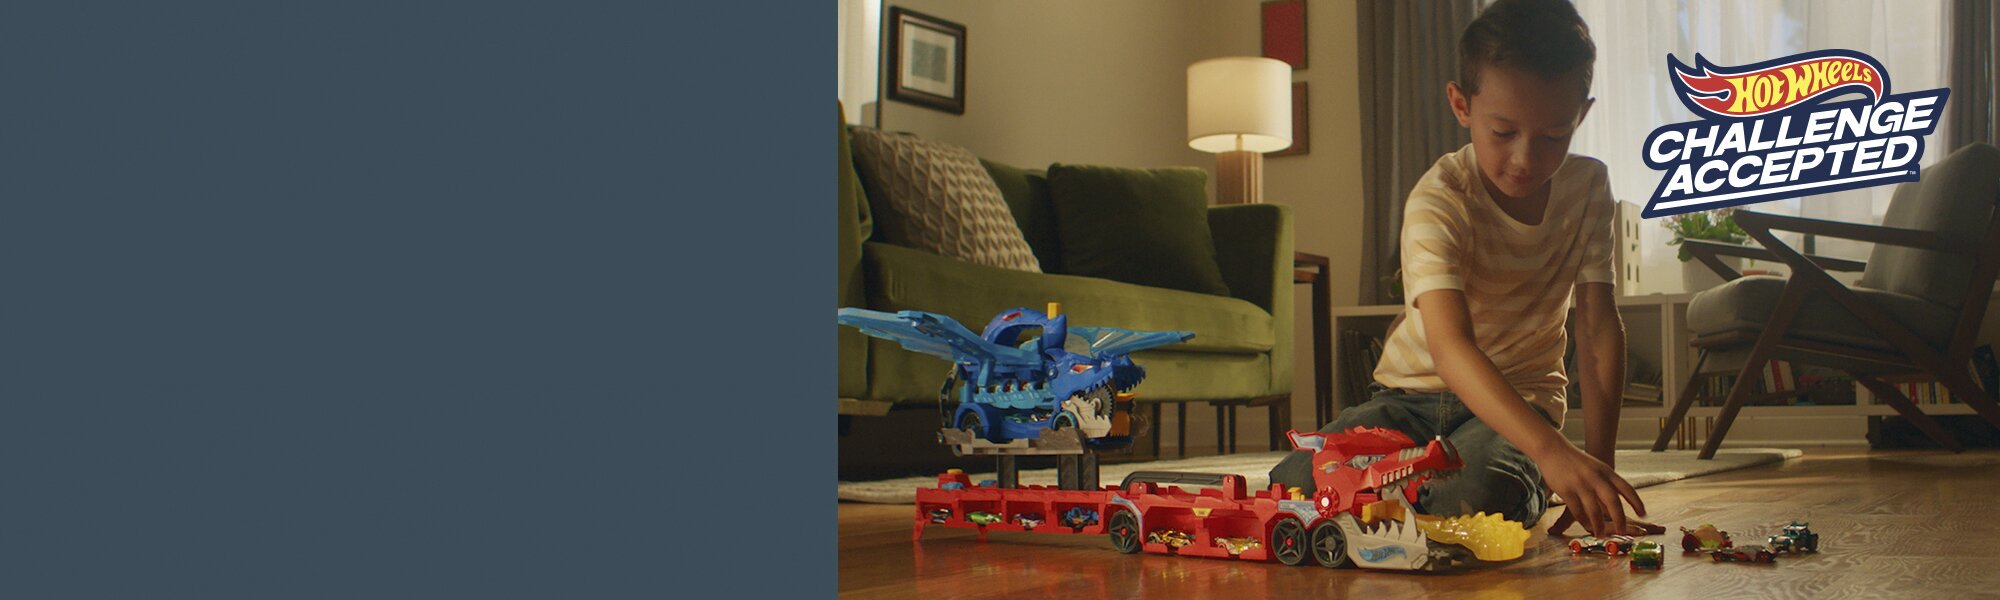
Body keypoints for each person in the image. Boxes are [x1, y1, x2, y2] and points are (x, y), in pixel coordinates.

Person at [1269, 0, 1656, 538]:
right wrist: (1550, 453)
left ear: (1581, 116)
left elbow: (1596, 329)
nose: (1525, 159)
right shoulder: (1439, 197)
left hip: (1520, 405)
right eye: (1503, 133)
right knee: (1287, 490)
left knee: (1471, 498)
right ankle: (1411, 494)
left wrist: (1592, 462)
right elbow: (1451, 349)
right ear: (1461, 105)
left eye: (1553, 137)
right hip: (1406, 403)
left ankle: (1414, 495)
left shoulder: (1588, 188)